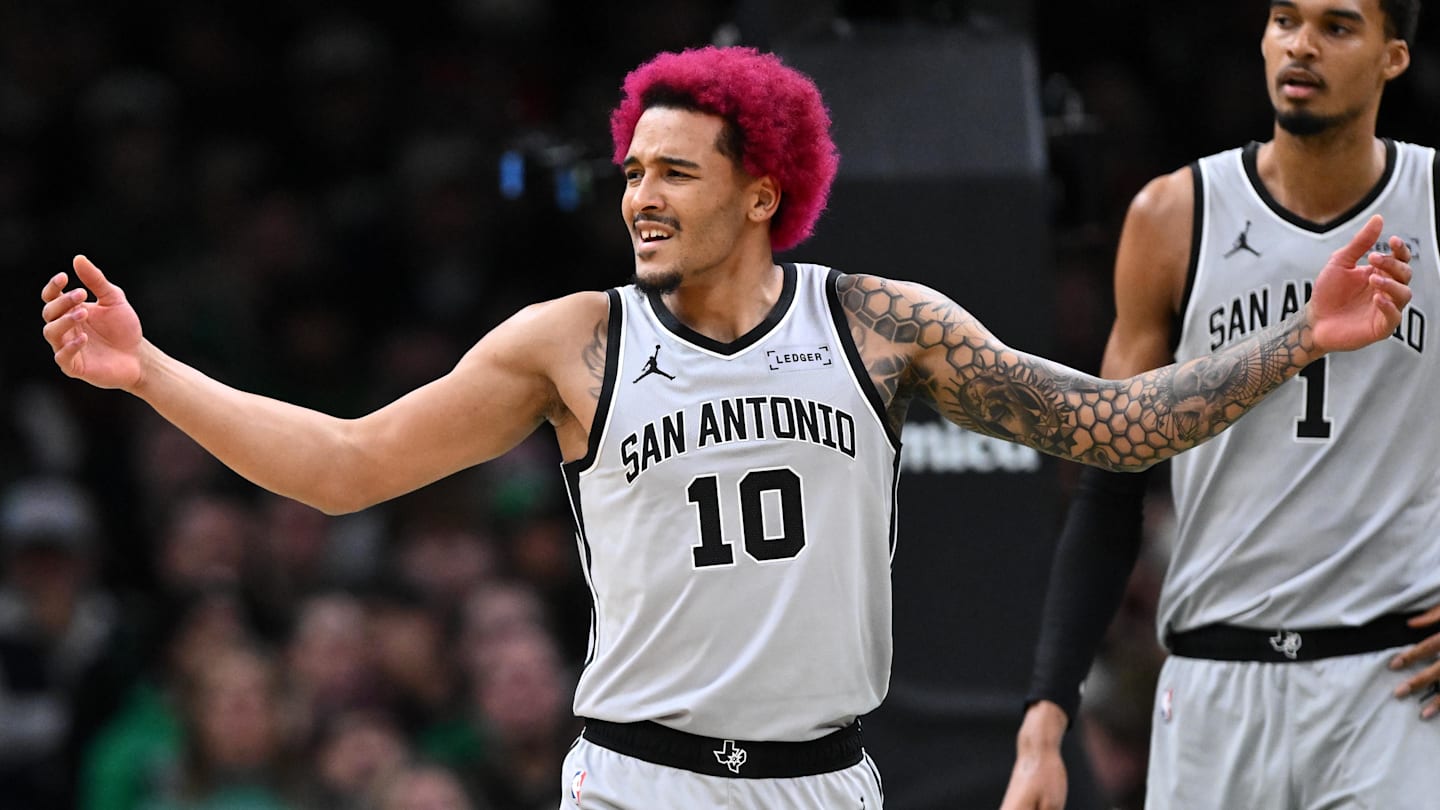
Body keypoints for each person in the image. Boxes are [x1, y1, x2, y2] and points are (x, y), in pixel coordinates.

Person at [40, 44, 1412, 808]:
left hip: (824, 782)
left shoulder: (879, 322)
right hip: (639, 781)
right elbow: (344, 467)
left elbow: (1107, 424)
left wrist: (1299, 337)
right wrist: (153, 372)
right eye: (632, 169)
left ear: (762, 191)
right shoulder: (571, 340)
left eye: (673, 174)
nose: (637, 195)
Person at [1002, 2, 1440, 808]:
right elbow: (1109, 484)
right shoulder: (1174, 216)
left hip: (1389, 688)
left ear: (1394, 58)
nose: (1301, 45)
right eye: (1284, 20)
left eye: (1338, 27)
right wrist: (1044, 718)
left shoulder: (1436, 201)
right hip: (1213, 682)